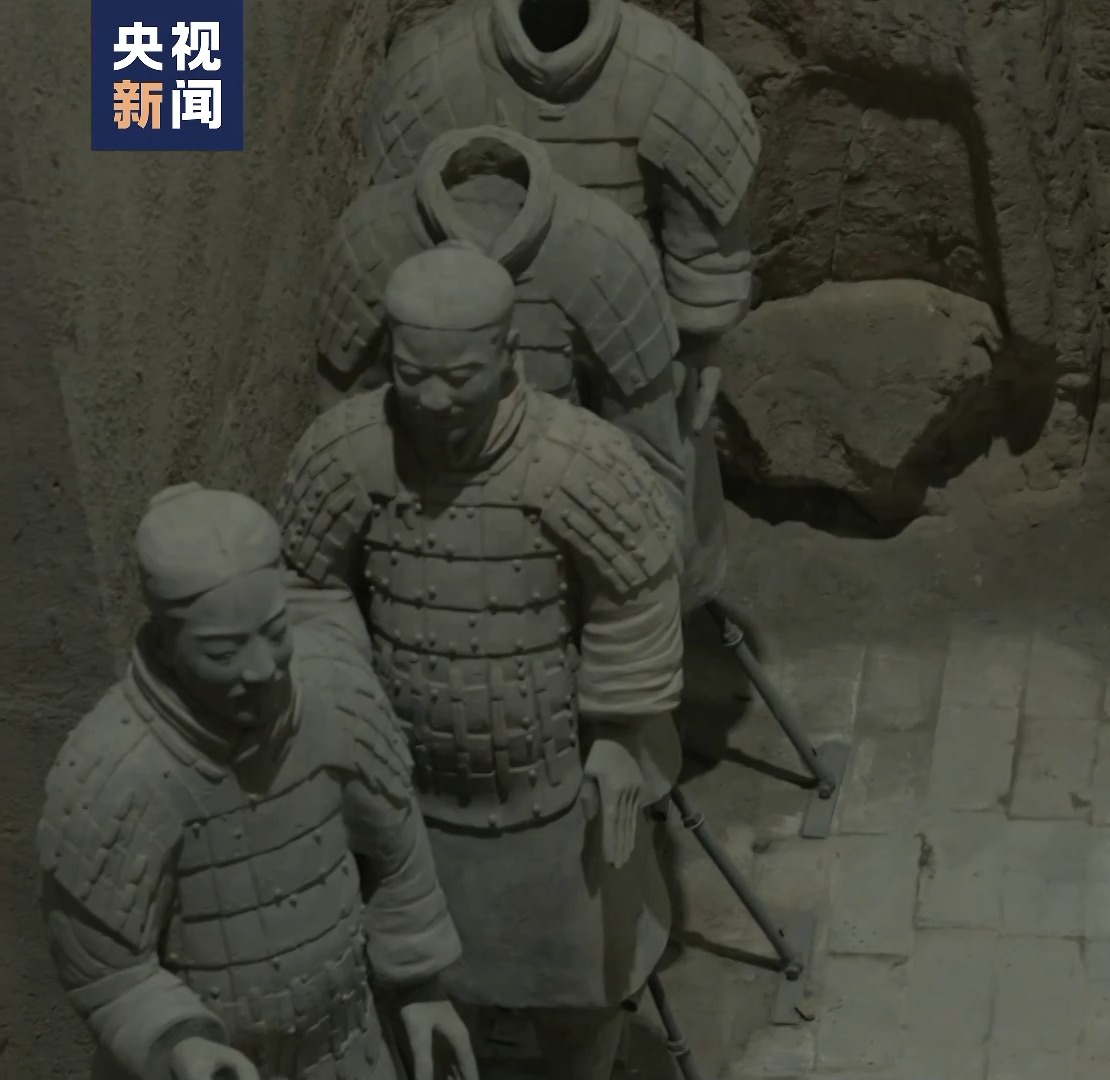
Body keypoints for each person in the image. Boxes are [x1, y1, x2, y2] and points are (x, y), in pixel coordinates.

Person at [277, 243, 685, 1080]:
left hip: (556, 797)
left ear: (507, 355)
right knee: (427, 995)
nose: (432, 400)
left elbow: (637, 587)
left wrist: (618, 733)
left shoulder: (576, 460)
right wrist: (352, 706)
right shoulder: (348, 453)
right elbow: (307, 581)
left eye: (458, 377)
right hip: (413, 803)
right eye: (411, 374)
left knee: (582, 997)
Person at [37, 484, 475, 1080]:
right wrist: (181, 1045)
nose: (264, 668)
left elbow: (397, 850)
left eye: (275, 631)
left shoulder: (335, 689)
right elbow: (110, 969)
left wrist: (420, 987)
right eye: (224, 653)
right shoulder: (113, 771)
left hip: (353, 1051)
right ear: (166, 643)